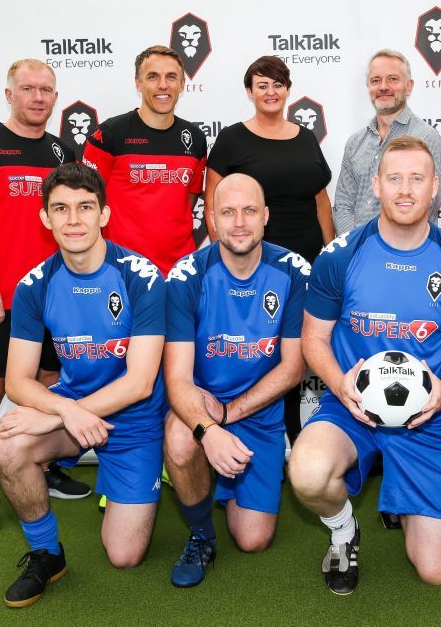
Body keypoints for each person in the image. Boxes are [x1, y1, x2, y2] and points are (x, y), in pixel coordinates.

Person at [289, 136, 441, 595]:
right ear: (376, 185)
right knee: (307, 471)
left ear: (436, 186)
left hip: (426, 418)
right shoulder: (340, 256)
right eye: (394, 178)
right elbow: (313, 339)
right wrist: (341, 386)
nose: (405, 189)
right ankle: (343, 530)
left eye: (417, 179)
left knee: (435, 571)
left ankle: (408, 496)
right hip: (350, 406)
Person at [0, 163, 167, 608]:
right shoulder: (34, 285)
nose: (74, 219)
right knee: (9, 444)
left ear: (104, 214)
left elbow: (141, 381)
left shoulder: (140, 276)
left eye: (85, 207)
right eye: (61, 209)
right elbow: (17, 379)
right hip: (75, 408)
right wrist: (66, 411)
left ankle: (128, 479)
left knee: (124, 556)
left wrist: (64, 412)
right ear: (45, 219)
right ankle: (47, 554)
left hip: (134, 417)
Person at [0, 58, 89, 534]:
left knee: (48, 379)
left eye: (46, 89)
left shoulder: (64, 152)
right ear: (10, 94)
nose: (38, 97)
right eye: (28, 89)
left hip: (54, 298)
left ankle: (39, 466)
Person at [163, 173, 308, 587]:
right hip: (201, 403)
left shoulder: (293, 270)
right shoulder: (186, 276)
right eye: (228, 212)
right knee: (178, 438)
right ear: (211, 219)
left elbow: (294, 368)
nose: (239, 222)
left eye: (248, 211)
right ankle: (201, 533)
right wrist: (208, 428)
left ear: (265, 216)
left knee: (253, 540)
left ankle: (221, 482)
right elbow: (176, 379)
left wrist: (230, 414)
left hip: (258, 413)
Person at [203, 55, 333, 444]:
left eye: (278, 84)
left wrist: (328, 254)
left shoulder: (305, 136)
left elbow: (321, 201)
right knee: (262, 349)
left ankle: (293, 435)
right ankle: (245, 429)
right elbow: (214, 206)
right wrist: (226, 265)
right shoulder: (231, 139)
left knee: (299, 351)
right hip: (255, 265)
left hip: (307, 263)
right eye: (262, 85)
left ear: (288, 90)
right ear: (249, 92)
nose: (271, 92)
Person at [82, 45, 207, 277]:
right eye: (152, 77)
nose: (163, 85)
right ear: (138, 84)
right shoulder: (109, 135)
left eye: (171, 77)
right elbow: (87, 203)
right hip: (122, 271)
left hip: (180, 272)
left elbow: (186, 202)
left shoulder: (195, 140)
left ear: (181, 84)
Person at [332, 49, 441, 235]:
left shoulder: (426, 139)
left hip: (406, 254)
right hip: (358, 255)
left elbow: (426, 206)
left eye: (393, 79)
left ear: (409, 86)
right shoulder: (355, 143)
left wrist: (382, 249)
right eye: (376, 80)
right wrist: (356, 244)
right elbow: (343, 204)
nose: (383, 87)